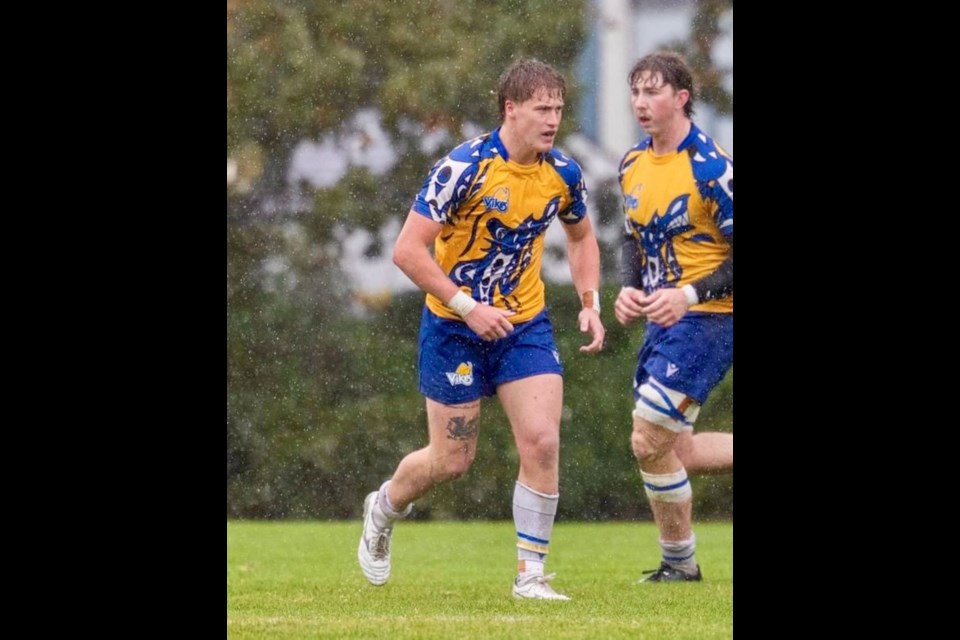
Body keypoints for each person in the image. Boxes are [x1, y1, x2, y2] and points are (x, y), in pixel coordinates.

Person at [357, 58, 605, 601]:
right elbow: (407, 250)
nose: (553, 120)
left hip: (524, 324)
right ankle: (384, 507)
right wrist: (467, 306)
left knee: (541, 440)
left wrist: (590, 301)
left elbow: (583, 238)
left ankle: (530, 576)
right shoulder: (462, 168)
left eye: (559, 109)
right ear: (510, 109)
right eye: (542, 109)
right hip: (454, 327)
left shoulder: (562, 172)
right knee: (452, 461)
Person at [613, 51, 733, 582]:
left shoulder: (711, 168)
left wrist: (688, 294)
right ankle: (679, 565)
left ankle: (679, 565)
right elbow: (631, 237)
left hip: (711, 319)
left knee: (647, 438)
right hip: (664, 323)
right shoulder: (632, 163)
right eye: (636, 92)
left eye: (653, 92)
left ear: (681, 98)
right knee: (674, 447)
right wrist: (629, 288)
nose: (641, 103)